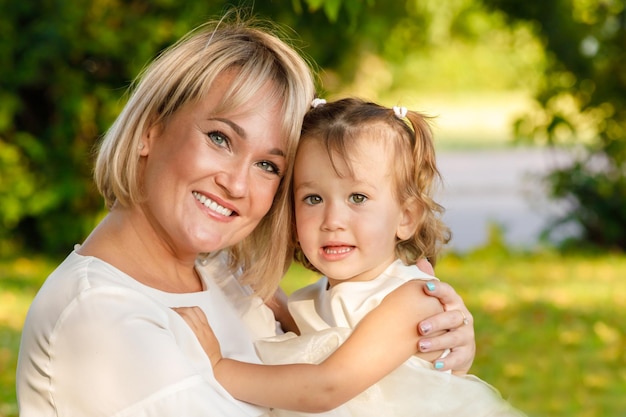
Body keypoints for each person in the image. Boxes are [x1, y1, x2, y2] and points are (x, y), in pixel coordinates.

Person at [16, 13, 476, 417]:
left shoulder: (225, 276)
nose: (237, 184)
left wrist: (434, 346)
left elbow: (341, 353)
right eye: (220, 138)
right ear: (149, 132)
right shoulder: (101, 318)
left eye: (268, 165)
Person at [177, 98, 524, 416]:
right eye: (313, 199)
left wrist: (220, 367)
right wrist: (275, 303)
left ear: (406, 216)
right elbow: (323, 342)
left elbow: (328, 386)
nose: (332, 222)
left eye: (358, 198)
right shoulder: (315, 297)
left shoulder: (413, 299)